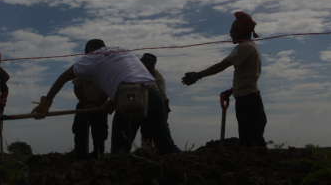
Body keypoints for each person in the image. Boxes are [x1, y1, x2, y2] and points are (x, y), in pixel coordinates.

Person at [31, 39, 181, 155]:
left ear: (89, 51)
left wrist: (47, 101)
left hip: (131, 97)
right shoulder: (121, 50)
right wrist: (115, 101)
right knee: (166, 145)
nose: (86, 57)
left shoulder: (92, 57)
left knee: (120, 151)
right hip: (154, 94)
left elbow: (63, 77)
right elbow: (129, 77)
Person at [181, 11, 267, 148]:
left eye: (232, 32)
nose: (230, 35)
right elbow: (247, 78)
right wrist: (231, 91)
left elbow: (221, 66)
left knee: (249, 140)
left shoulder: (243, 47)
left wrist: (198, 75)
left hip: (247, 101)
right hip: (252, 98)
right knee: (254, 138)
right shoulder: (253, 47)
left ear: (239, 32)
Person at [72, 59, 109, 159]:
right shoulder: (82, 71)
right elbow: (76, 89)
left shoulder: (105, 73)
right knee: (80, 132)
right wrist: (85, 104)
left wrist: (96, 105)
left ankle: (98, 157)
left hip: (100, 106)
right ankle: (80, 157)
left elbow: (107, 91)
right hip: (83, 105)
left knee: (99, 134)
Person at [139, 53, 170, 146]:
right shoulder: (142, 73)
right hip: (146, 104)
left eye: (145, 62)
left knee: (158, 132)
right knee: (145, 132)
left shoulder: (157, 78)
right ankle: (147, 150)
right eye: (142, 62)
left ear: (152, 63)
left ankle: (159, 152)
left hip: (160, 106)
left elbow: (162, 97)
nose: (142, 64)